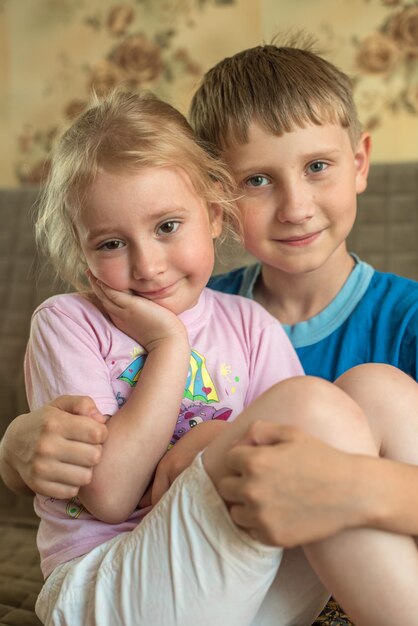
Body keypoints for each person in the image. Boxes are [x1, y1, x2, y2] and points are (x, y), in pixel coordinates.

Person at [8, 87, 418, 626]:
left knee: (375, 389)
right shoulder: (68, 322)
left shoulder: (248, 323)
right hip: (109, 584)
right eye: (110, 243)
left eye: (167, 227)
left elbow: (298, 450)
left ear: (214, 213)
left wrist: (211, 441)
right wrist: (167, 346)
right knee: (313, 406)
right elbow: (108, 495)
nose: (148, 265)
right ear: (80, 253)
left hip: (244, 585)